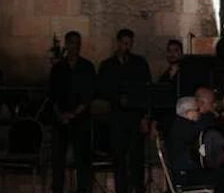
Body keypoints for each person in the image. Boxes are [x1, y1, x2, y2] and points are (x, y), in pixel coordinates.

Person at [97, 29, 151, 193]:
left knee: (137, 157)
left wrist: (144, 117)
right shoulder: (107, 65)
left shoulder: (139, 63)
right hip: (117, 117)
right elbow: (102, 90)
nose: (127, 47)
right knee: (119, 157)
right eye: (124, 43)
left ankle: (138, 188)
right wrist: (116, 99)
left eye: (129, 43)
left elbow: (146, 89)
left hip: (135, 116)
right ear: (118, 43)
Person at [49, 31, 96, 193]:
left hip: (81, 120)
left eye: (78, 43)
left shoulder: (87, 67)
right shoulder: (58, 68)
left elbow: (89, 94)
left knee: (82, 158)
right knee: (58, 159)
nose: (76, 46)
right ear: (67, 45)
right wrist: (61, 115)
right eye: (72, 42)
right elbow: (52, 95)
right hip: (60, 120)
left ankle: (83, 189)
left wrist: (74, 113)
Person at [165, 96, 224, 193]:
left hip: (188, 170)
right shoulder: (182, 126)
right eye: (197, 110)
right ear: (188, 113)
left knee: (222, 172)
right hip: (186, 174)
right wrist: (210, 114)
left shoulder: (181, 124)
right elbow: (200, 129)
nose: (200, 112)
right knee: (223, 175)